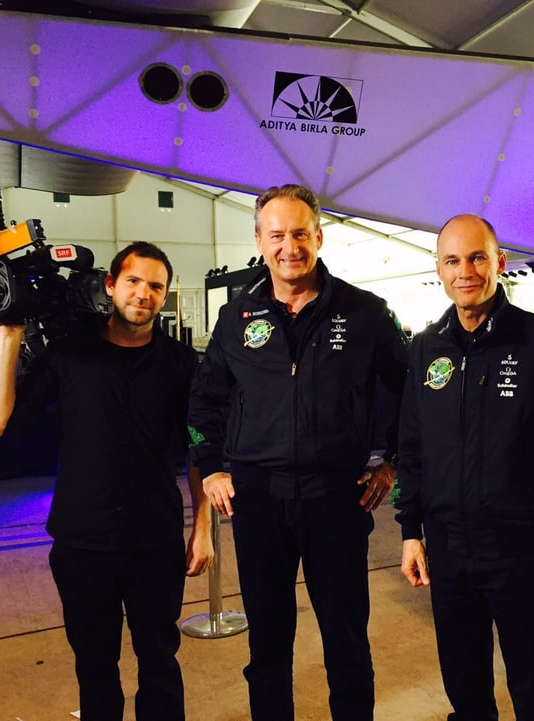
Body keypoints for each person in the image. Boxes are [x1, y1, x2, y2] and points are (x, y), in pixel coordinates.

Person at [186, 183, 410, 721]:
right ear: (261, 240)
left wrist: (394, 466)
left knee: (346, 640)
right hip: (257, 499)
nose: (291, 246)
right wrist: (213, 467)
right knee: (267, 644)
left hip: (336, 497)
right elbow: (203, 403)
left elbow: (407, 399)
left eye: (301, 233)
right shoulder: (236, 318)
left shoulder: (366, 314)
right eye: (278, 234)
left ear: (319, 237)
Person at [0, 241, 212, 721]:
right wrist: (9, 339)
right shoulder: (70, 356)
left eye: (155, 286)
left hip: (155, 541)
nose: (143, 294)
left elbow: (200, 449)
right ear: (110, 286)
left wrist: (203, 528)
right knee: (95, 668)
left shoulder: (182, 365)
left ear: (165, 297)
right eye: (133, 281)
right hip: (82, 543)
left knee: (160, 665)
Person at [395, 214, 534, 721]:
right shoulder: (426, 348)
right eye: (452, 260)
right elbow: (413, 445)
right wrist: (410, 530)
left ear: (499, 264)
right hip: (448, 550)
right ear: (439, 270)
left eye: (477, 258)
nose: (464, 271)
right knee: (465, 690)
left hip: (520, 552)